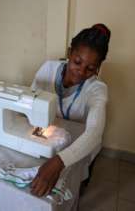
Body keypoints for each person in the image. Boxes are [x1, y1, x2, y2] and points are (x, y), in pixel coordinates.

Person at [30, 23, 111, 197]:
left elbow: (94, 133)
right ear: (69, 53)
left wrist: (57, 163)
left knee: (75, 186)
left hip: (81, 145)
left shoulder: (97, 89)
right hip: (52, 138)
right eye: (77, 62)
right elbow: (31, 101)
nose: (81, 72)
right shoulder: (48, 69)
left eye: (90, 68)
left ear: (98, 67)